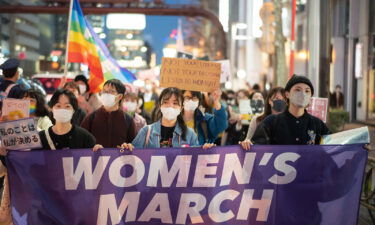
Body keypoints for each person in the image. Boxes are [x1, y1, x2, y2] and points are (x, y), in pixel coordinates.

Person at [241, 75, 330, 150]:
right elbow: (258, 147)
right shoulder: (271, 122)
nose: (303, 94)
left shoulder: (317, 124)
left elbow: (332, 147)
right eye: (297, 90)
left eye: (307, 91)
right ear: (287, 94)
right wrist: (248, 144)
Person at [111, 87, 215, 151]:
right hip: (151, 184)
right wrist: (128, 148)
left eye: (175, 103)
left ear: (181, 107)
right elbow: (133, 156)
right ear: (160, 106)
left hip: (179, 185)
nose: (170, 106)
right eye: (166, 102)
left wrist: (204, 150)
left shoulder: (190, 134)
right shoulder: (146, 132)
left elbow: (196, 161)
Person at [81, 79, 136, 148]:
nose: (106, 94)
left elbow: (134, 145)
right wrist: (92, 147)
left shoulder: (128, 120)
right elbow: (81, 143)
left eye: (111, 91)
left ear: (120, 97)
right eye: (104, 91)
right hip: (96, 158)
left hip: (119, 158)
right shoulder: (91, 118)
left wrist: (128, 146)